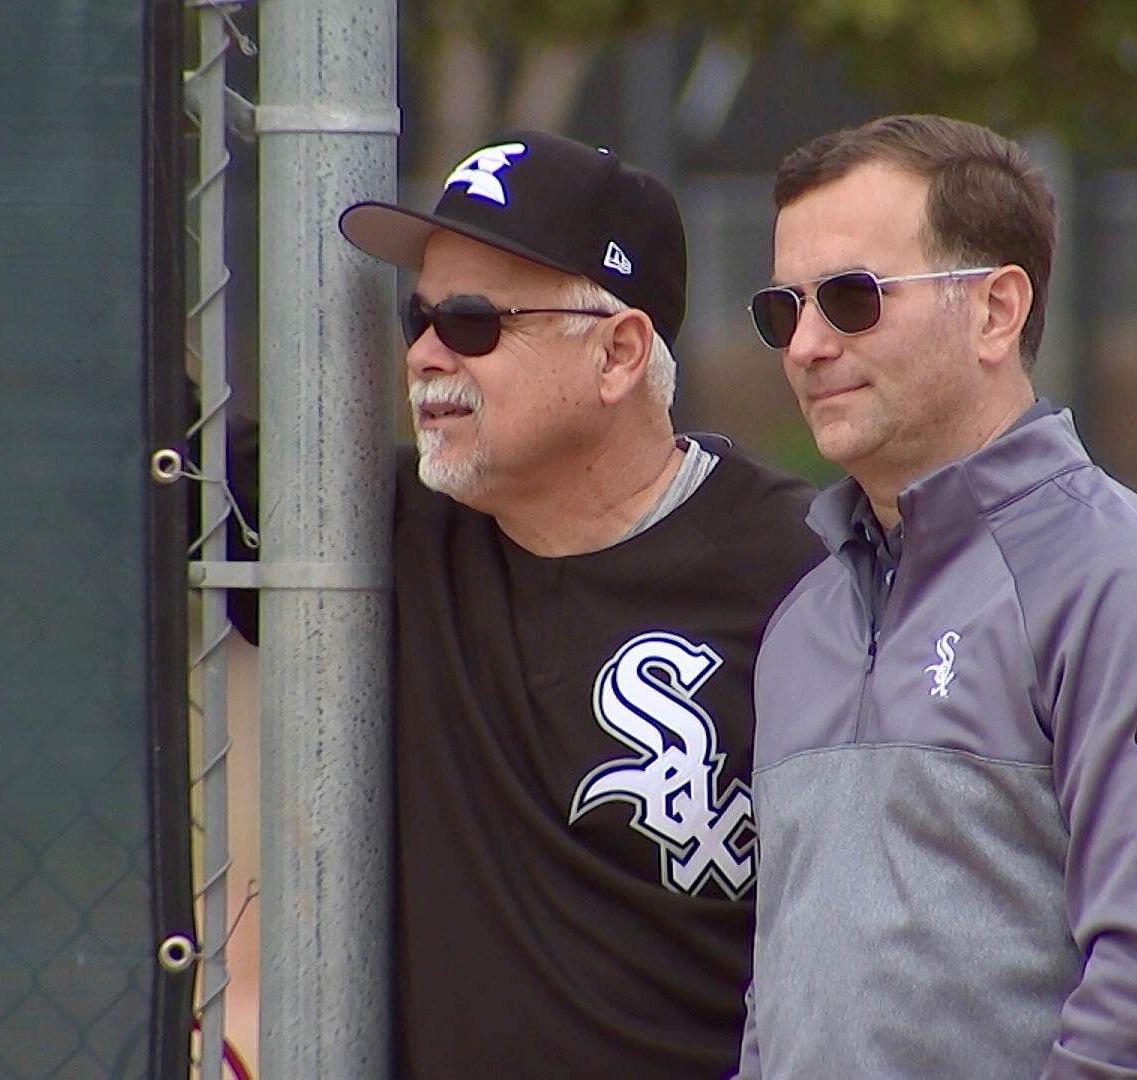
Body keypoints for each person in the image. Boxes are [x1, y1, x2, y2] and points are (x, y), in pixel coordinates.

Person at [736, 115, 1137, 1078]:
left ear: (995, 311)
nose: (806, 344)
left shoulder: (1124, 589)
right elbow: (779, 999)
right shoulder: (803, 622)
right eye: (783, 309)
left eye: (852, 299)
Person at [336, 130, 821, 1077]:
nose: (428, 352)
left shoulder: (805, 574)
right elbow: (140, 439)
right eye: (419, 316)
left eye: (475, 321)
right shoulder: (376, 540)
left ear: (618, 354)